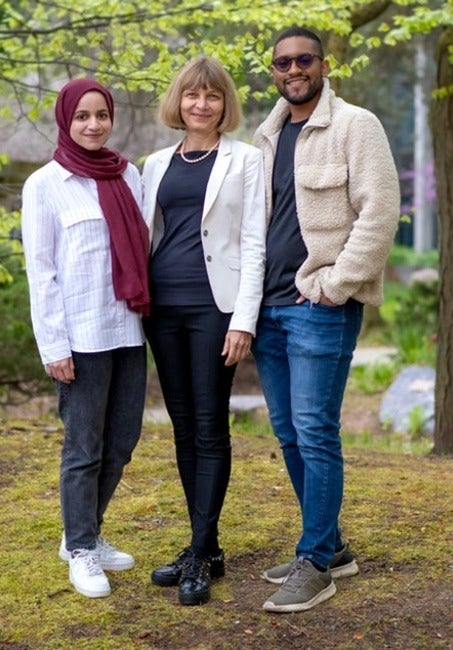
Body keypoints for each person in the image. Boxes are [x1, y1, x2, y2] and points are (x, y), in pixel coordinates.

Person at [251, 27, 401, 613]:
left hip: (320, 307)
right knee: (289, 432)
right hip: (268, 308)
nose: (294, 69)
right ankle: (332, 546)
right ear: (274, 70)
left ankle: (315, 562)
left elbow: (380, 212)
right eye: (283, 62)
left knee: (315, 430)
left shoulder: (355, 125)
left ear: (324, 64)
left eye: (304, 59)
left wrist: (336, 287)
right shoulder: (265, 137)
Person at [140, 57, 267, 606]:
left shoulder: (246, 160)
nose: (201, 104)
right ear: (178, 101)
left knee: (211, 426)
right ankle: (206, 549)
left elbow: (255, 241)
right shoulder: (154, 163)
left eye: (212, 96)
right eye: (192, 95)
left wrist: (245, 319)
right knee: (183, 425)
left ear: (224, 105)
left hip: (215, 308)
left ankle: (199, 550)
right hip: (161, 308)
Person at [20, 78, 150, 599]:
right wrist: (53, 345)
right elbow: (41, 270)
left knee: (121, 441)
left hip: (129, 330)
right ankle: (79, 548)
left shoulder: (129, 175)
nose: (93, 125)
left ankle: (86, 532)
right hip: (81, 336)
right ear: (65, 121)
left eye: (101, 115)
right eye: (82, 117)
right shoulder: (45, 184)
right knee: (83, 448)